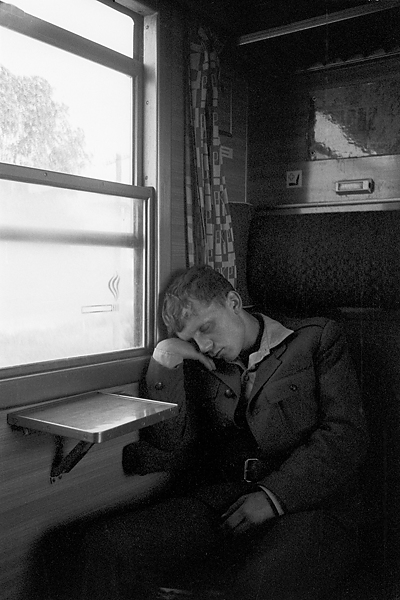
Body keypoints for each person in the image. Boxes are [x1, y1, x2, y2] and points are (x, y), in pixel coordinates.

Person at [79, 265, 368, 600]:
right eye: (191, 339)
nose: (203, 345)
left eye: (207, 327)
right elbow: (169, 441)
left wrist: (273, 496)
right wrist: (165, 359)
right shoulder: (202, 363)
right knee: (106, 547)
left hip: (310, 503)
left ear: (233, 302)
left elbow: (345, 435)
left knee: (257, 588)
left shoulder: (316, 339)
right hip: (227, 496)